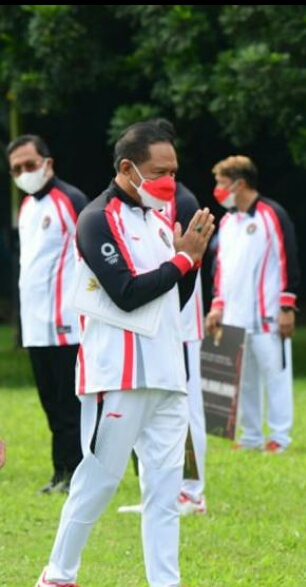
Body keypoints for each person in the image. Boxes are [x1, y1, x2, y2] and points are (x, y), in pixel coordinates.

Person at [30, 118, 217, 587]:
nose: (170, 182)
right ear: (128, 168)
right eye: (159, 172)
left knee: (165, 485)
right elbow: (126, 293)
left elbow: (173, 298)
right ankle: (55, 579)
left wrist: (191, 260)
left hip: (166, 373)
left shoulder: (157, 221)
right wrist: (183, 261)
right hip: (117, 374)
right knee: (100, 479)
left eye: (174, 171)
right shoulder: (96, 219)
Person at [118, 181, 208, 516]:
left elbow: (188, 267)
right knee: (150, 411)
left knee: (184, 411)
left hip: (179, 326)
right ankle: (157, 491)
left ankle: (190, 492)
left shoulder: (182, 202)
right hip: (149, 323)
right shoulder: (133, 206)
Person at [8, 135, 88, 494]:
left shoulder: (69, 200)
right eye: (16, 169)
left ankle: (78, 473)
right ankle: (60, 471)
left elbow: (91, 252)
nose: (24, 173)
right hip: (36, 324)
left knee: (70, 404)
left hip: (67, 323)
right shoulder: (26, 207)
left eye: (29, 164)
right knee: (50, 405)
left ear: (47, 163)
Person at [204, 156, 299, 454]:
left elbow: (288, 259)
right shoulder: (227, 221)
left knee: (276, 375)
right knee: (243, 380)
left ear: (240, 183)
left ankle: (280, 437)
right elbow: (220, 268)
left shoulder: (271, 214)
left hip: (268, 315)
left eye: (222, 183)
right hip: (234, 315)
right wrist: (217, 306)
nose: (218, 190)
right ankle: (251, 436)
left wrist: (287, 306)